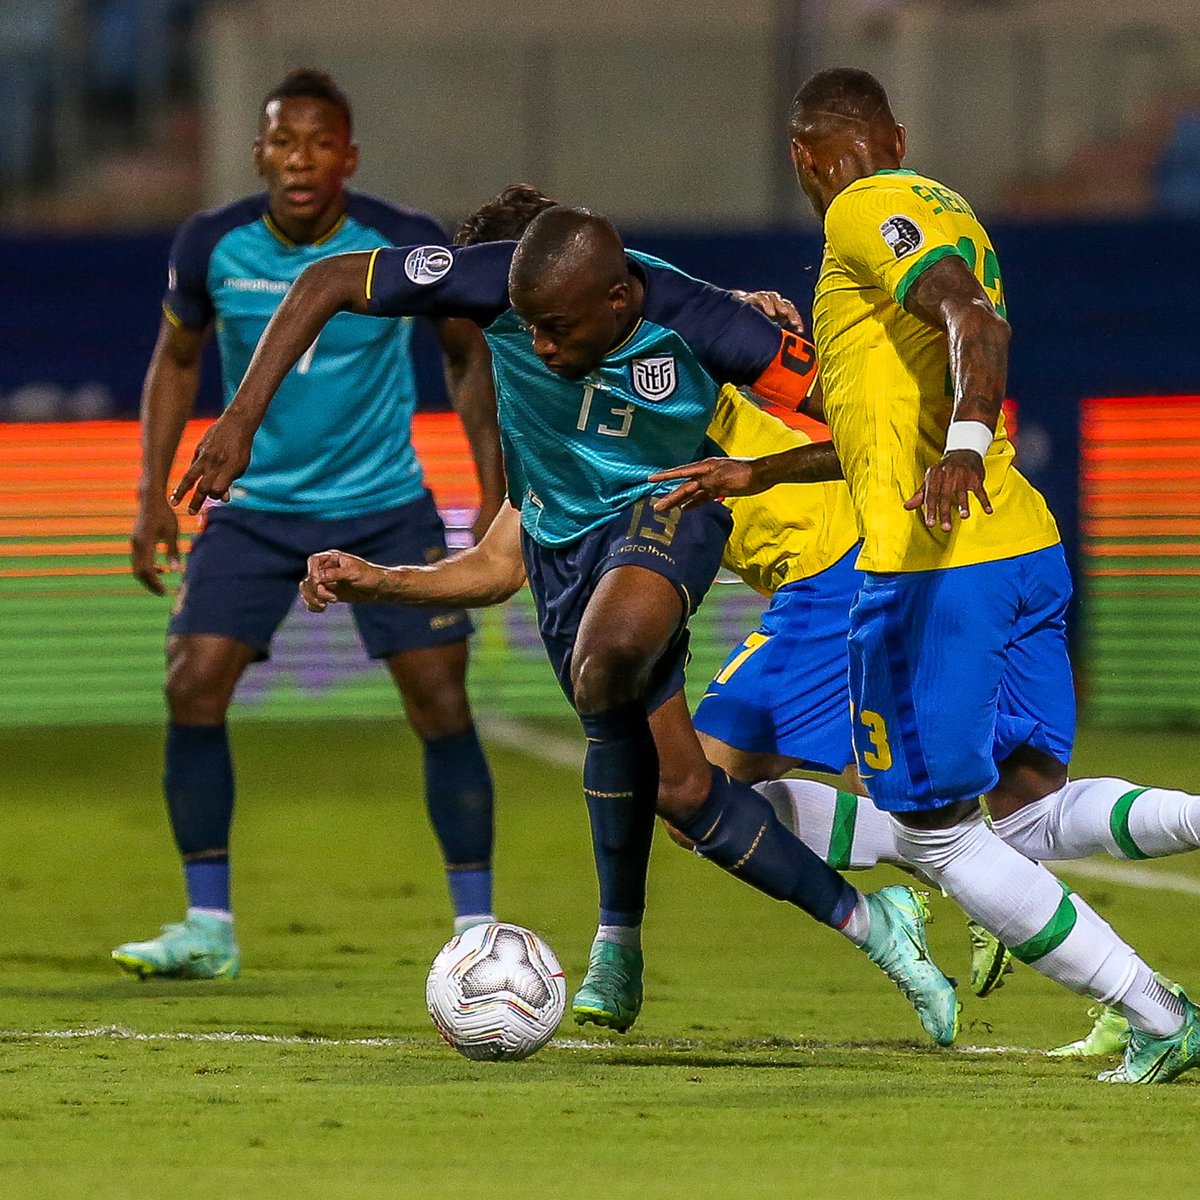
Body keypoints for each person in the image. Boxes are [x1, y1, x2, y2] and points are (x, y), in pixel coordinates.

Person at [171, 192, 960, 1046]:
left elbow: (874, 426)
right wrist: (263, 448)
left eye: (557, 329)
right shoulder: (495, 288)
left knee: (607, 655)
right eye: (528, 327)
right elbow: (325, 281)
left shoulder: (708, 324)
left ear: (616, 302)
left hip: (671, 506)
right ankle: (856, 925)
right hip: (561, 554)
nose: (539, 348)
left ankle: (650, 934)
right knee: (684, 788)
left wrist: (769, 470)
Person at [651, 67, 1200, 1084]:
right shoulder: (942, 204)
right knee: (1029, 814)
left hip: (934, 567)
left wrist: (960, 445)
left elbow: (974, 329)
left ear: (804, 160)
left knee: (938, 839)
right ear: (896, 131)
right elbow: (876, 430)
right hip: (1021, 541)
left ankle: (1157, 1010)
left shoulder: (868, 209)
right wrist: (760, 469)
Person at [114, 68, 505, 981]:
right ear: (259, 153)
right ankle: (207, 926)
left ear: (349, 156)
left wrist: (491, 491)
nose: (300, 161)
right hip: (253, 513)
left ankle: (476, 929)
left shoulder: (401, 243)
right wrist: (147, 497)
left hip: (381, 506)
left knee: (441, 703)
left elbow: (465, 357)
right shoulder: (211, 244)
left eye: (319, 144)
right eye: (284, 143)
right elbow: (176, 361)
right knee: (191, 685)